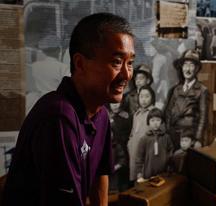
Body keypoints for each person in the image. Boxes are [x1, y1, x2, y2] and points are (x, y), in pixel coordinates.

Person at [3, 13, 135, 205]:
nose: (126, 74)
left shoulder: (101, 115)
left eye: (130, 63)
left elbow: (100, 175)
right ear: (80, 63)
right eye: (116, 62)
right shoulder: (58, 117)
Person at [165, 50, 209, 148]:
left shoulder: (202, 90)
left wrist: (197, 139)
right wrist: (168, 131)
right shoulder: (176, 89)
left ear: (196, 69)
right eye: (185, 65)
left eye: (191, 65)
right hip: (173, 135)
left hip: (189, 137)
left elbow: (203, 118)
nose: (187, 69)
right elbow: (168, 112)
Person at [134, 108, 173, 182]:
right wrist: (139, 174)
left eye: (158, 120)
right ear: (148, 122)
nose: (155, 123)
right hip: (149, 172)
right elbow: (139, 157)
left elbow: (170, 152)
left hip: (163, 171)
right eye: (152, 120)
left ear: (161, 121)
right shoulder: (144, 139)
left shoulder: (166, 137)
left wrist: (168, 164)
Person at [128, 86, 157, 181]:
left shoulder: (154, 113)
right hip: (134, 150)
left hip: (146, 151)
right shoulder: (137, 114)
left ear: (152, 97)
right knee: (135, 177)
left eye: (147, 96)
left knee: (145, 177)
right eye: (141, 96)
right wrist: (130, 143)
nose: (144, 99)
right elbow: (133, 132)